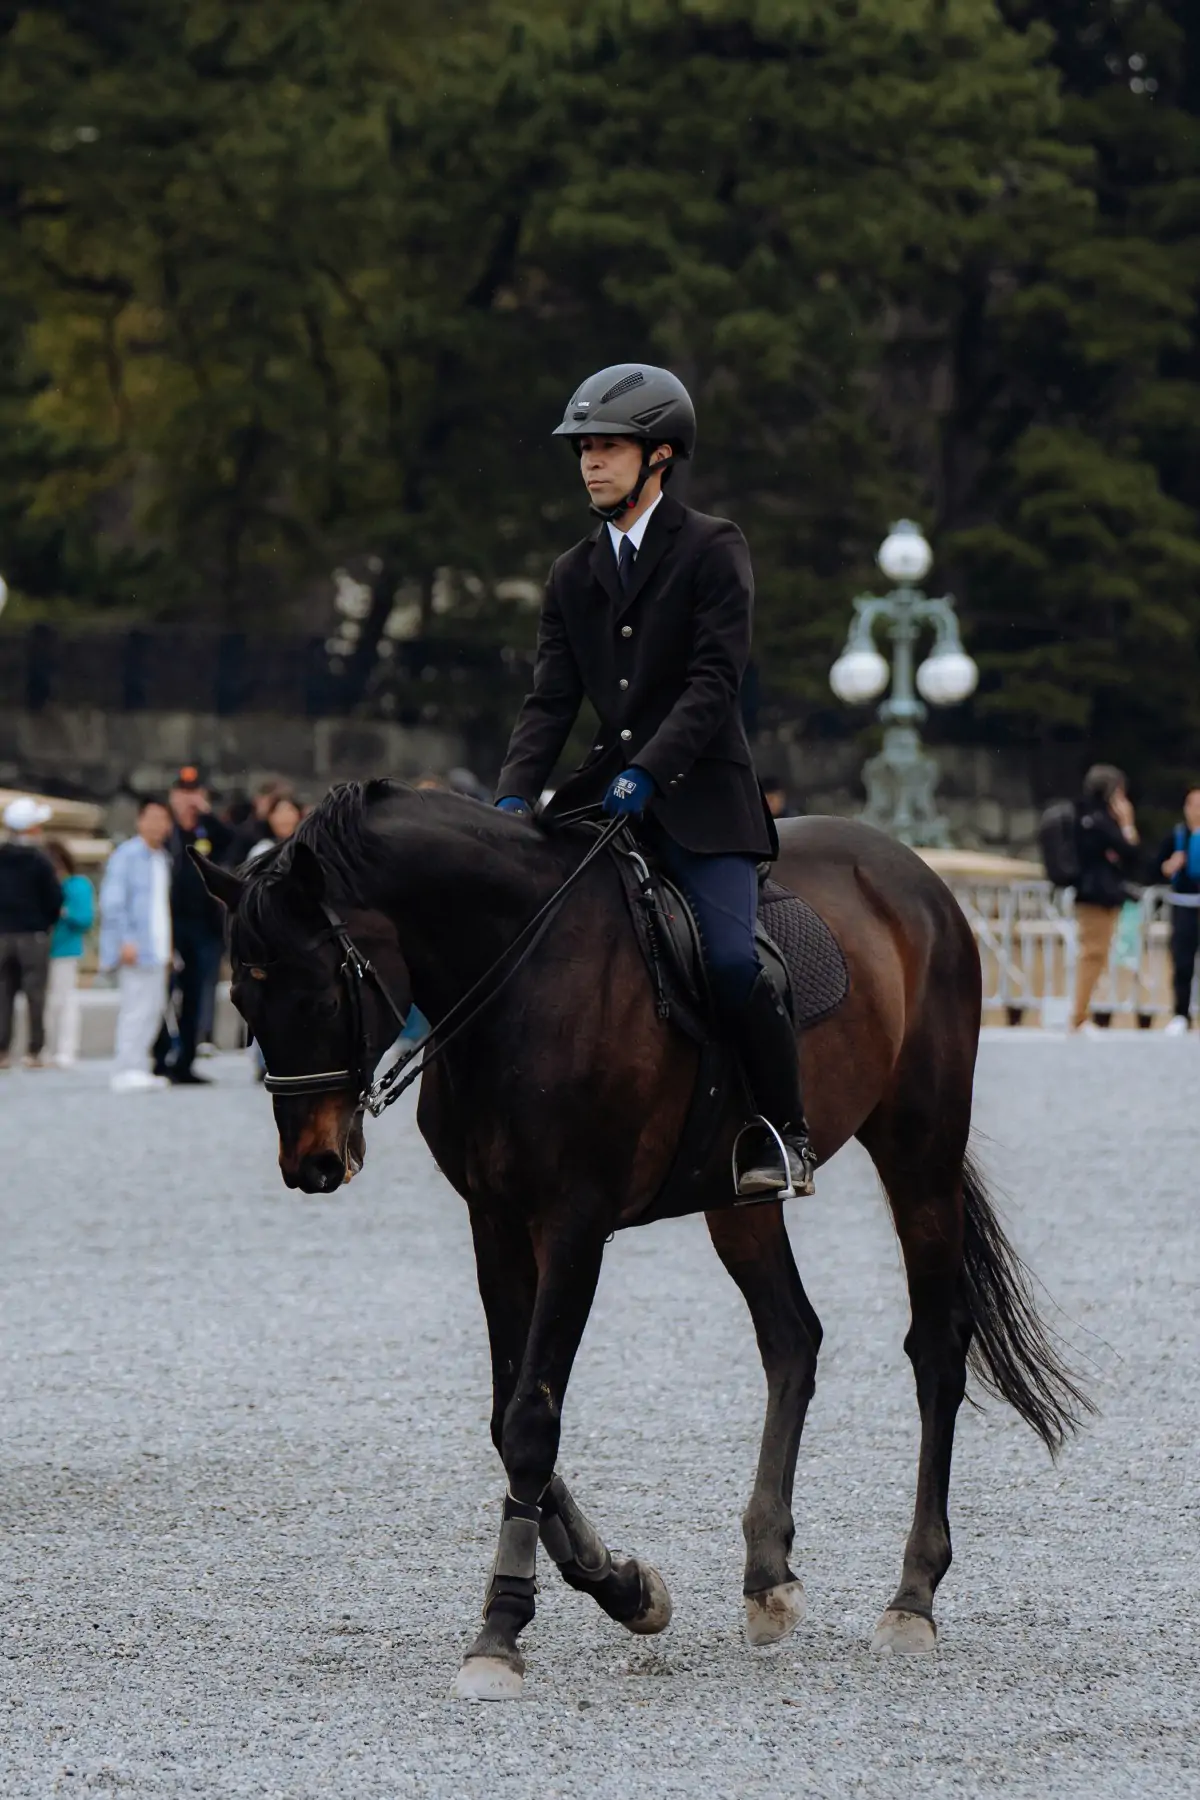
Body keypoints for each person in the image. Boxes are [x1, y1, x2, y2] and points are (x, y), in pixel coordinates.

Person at [493, 362, 814, 1197]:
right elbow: (550, 700)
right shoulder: (571, 574)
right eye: (583, 450)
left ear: (660, 454)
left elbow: (715, 683)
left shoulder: (714, 547)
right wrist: (513, 794)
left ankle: (782, 1131)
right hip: (606, 792)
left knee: (736, 965)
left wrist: (650, 769)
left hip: (703, 800)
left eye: (607, 448)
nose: (591, 464)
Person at [153, 769, 234, 1085]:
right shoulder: (166, 830)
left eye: (194, 791)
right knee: (161, 994)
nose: (189, 798)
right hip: (169, 924)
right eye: (183, 791)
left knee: (197, 995)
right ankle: (159, 1057)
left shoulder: (208, 830)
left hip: (203, 927)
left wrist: (208, 815)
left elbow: (235, 842)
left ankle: (185, 1060)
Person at [98, 798, 174, 1093]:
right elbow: (113, 902)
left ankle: (139, 1065)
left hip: (158, 947)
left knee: (153, 1009)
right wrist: (124, 939)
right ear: (140, 821)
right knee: (135, 1008)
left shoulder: (162, 858)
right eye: (152, 818)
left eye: (162, 819)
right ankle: (125, 1068)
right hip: (135, 947)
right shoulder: (127, 856)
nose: (157, 825)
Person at [1072, 764, 1141, 1034]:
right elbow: (1131, 850)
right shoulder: (1099, 820)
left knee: (1096, 954)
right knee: (1093, 953)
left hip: (1097, 893)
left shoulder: (1085, 816)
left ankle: (1081, 1012)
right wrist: (1127, 823)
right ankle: (1079, 1016)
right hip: (1096, 895)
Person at [0, 796, 62, 1070]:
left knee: (2, 995)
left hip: (2, 935)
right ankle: (34, 1050)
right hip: (33, 935)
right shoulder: (40, 861)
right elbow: (54, 898)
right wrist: (45, 923)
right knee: (35, 995)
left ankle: (2, 1050)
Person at [44, 839, 95, 1068]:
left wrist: (65, 912)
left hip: (65, 950)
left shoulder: (77, 885)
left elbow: (85, 918)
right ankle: (46, 1048)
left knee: (64, 1001)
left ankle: (66, 1049)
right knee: (44, 1003)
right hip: (43, 950)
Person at [1157, 786, 1200, 1036]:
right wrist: (1169, 865)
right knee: (1182, 962)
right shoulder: (1175, 836)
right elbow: (1155, 867)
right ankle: (1180, 1014)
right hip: (1183, 903)